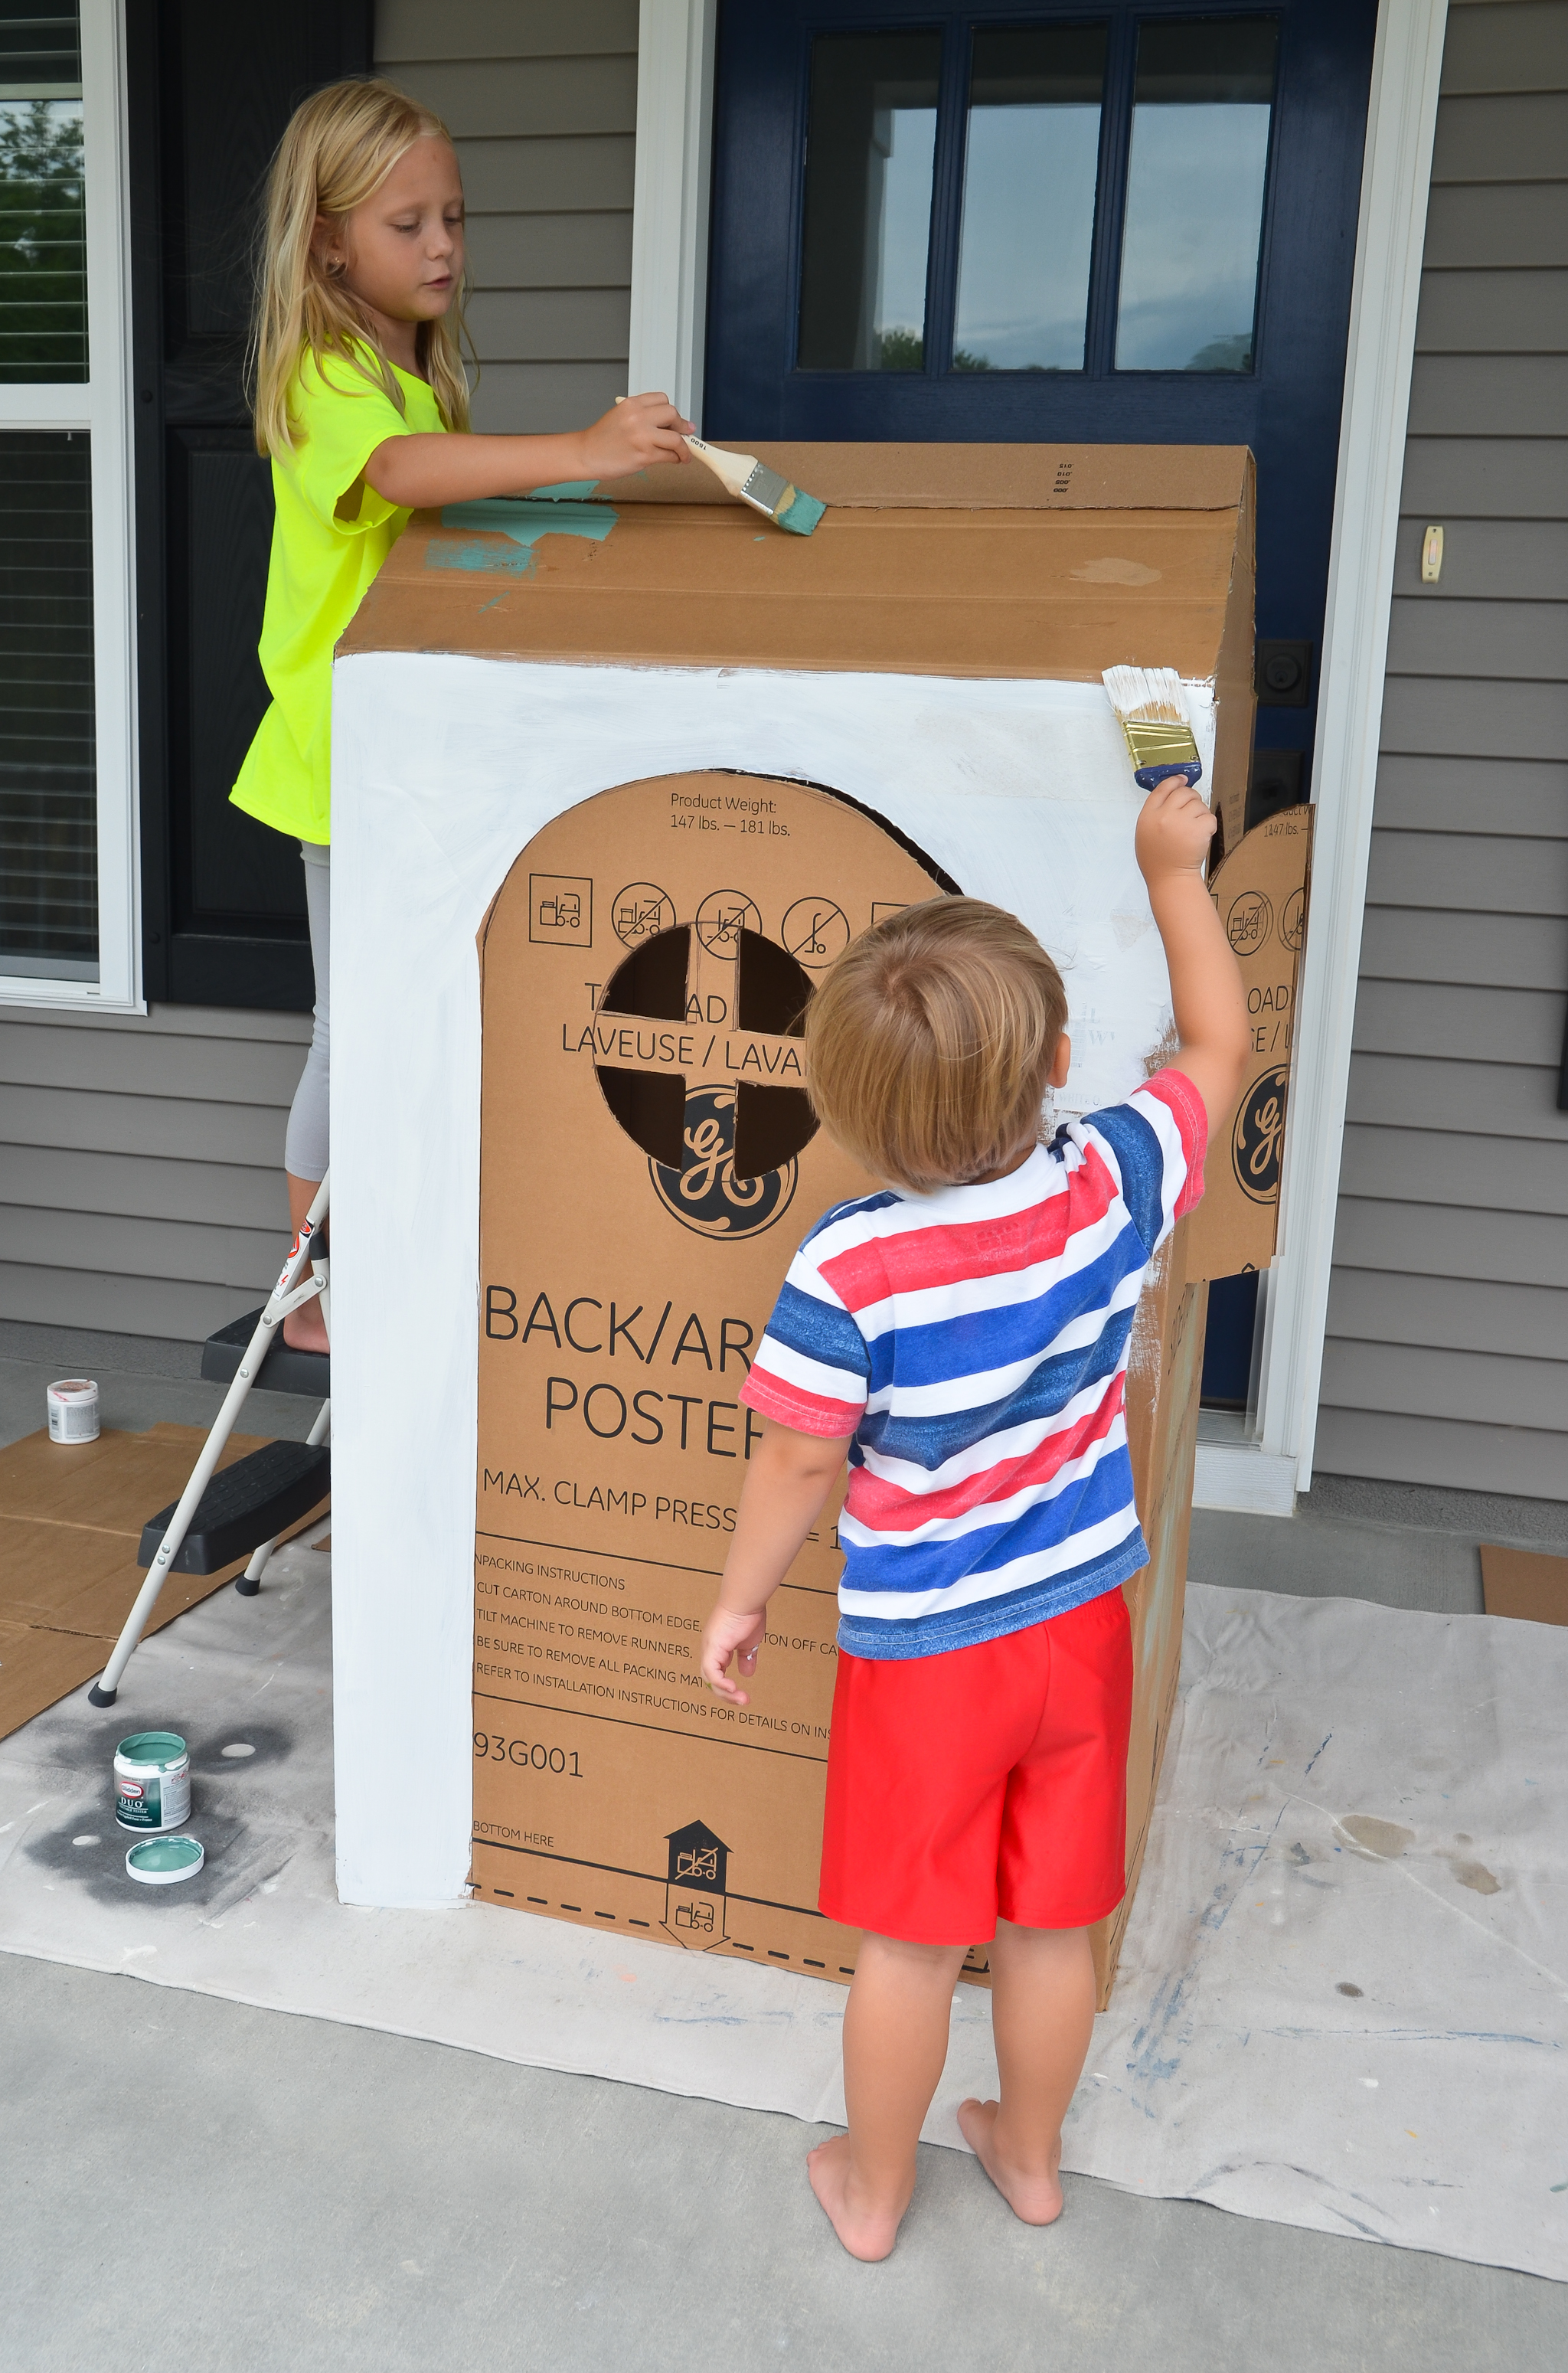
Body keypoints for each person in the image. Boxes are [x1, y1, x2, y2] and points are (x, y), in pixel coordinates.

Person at [697, 780, 1250, 2260]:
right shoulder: (1112, 1179)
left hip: (932, 1651)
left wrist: (740, 1599)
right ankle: (1031, 2159)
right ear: (1062, 1061)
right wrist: (1168, 874)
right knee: (1052, 1924)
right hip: (1083, 1618)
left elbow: (800, 1467)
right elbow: (1221, 1046)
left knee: (912, 1940)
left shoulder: (849, 1267)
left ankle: (874, 2197)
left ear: (847, 1104)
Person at [233, 79, 693, 1346]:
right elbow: (399, 478)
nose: (442, 247)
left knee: (419, 1013)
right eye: (406, 225)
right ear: (327, 240)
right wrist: (584, 451)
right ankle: (315, 1291)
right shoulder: (331, 375)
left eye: (455, 219)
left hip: (411, 751)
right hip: (347, 754)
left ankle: (390, 1243)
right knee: (354, 1025)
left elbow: (439, 525)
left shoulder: (406, 370)